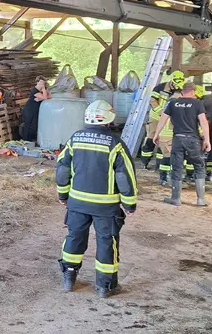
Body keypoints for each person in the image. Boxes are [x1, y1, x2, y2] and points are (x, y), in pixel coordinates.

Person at [56, 100, 137, 299]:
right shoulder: (115, 144)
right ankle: (105, 286)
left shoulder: (75, 139)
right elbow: (125, 175)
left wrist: (63, 194)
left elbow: (63, 168)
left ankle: (69, 278)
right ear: (109, 119)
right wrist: (129, 203)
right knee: (106, 242)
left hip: (77, 203)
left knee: (75, 237)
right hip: (106, 206)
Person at [155, 82, 210, 207]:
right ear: (193, 91)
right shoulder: (197, 103)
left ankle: (175, 198)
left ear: (182, 91)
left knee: (177, 167)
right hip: (192, 140)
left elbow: (163, 119)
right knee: (199, 166)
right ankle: (201, 199)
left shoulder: (173, 103)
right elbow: (203, 122)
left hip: (178, 139)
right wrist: (207, 140)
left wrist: (156, 134)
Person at [21, 76, 51, 142]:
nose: (42, 84)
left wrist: (41, 97)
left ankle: (30, 140)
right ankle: (25, 140)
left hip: (35, 111)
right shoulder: (34, 90)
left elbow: (49, 96)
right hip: (29, 110)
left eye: (43, 83)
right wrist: (43, 91)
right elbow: (45, 98)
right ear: (37, 82)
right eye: (41, 82)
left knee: (34, 126)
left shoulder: (43, 90)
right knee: (28, 125)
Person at [140, 92, 162, 169]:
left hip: (167, 118)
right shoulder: (160, 88)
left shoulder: (180, 90)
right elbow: (152, 100)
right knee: (150, 140)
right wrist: (161, 112)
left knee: (163, 142)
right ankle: (144, 163)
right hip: (156, 117)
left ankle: (159, 166)